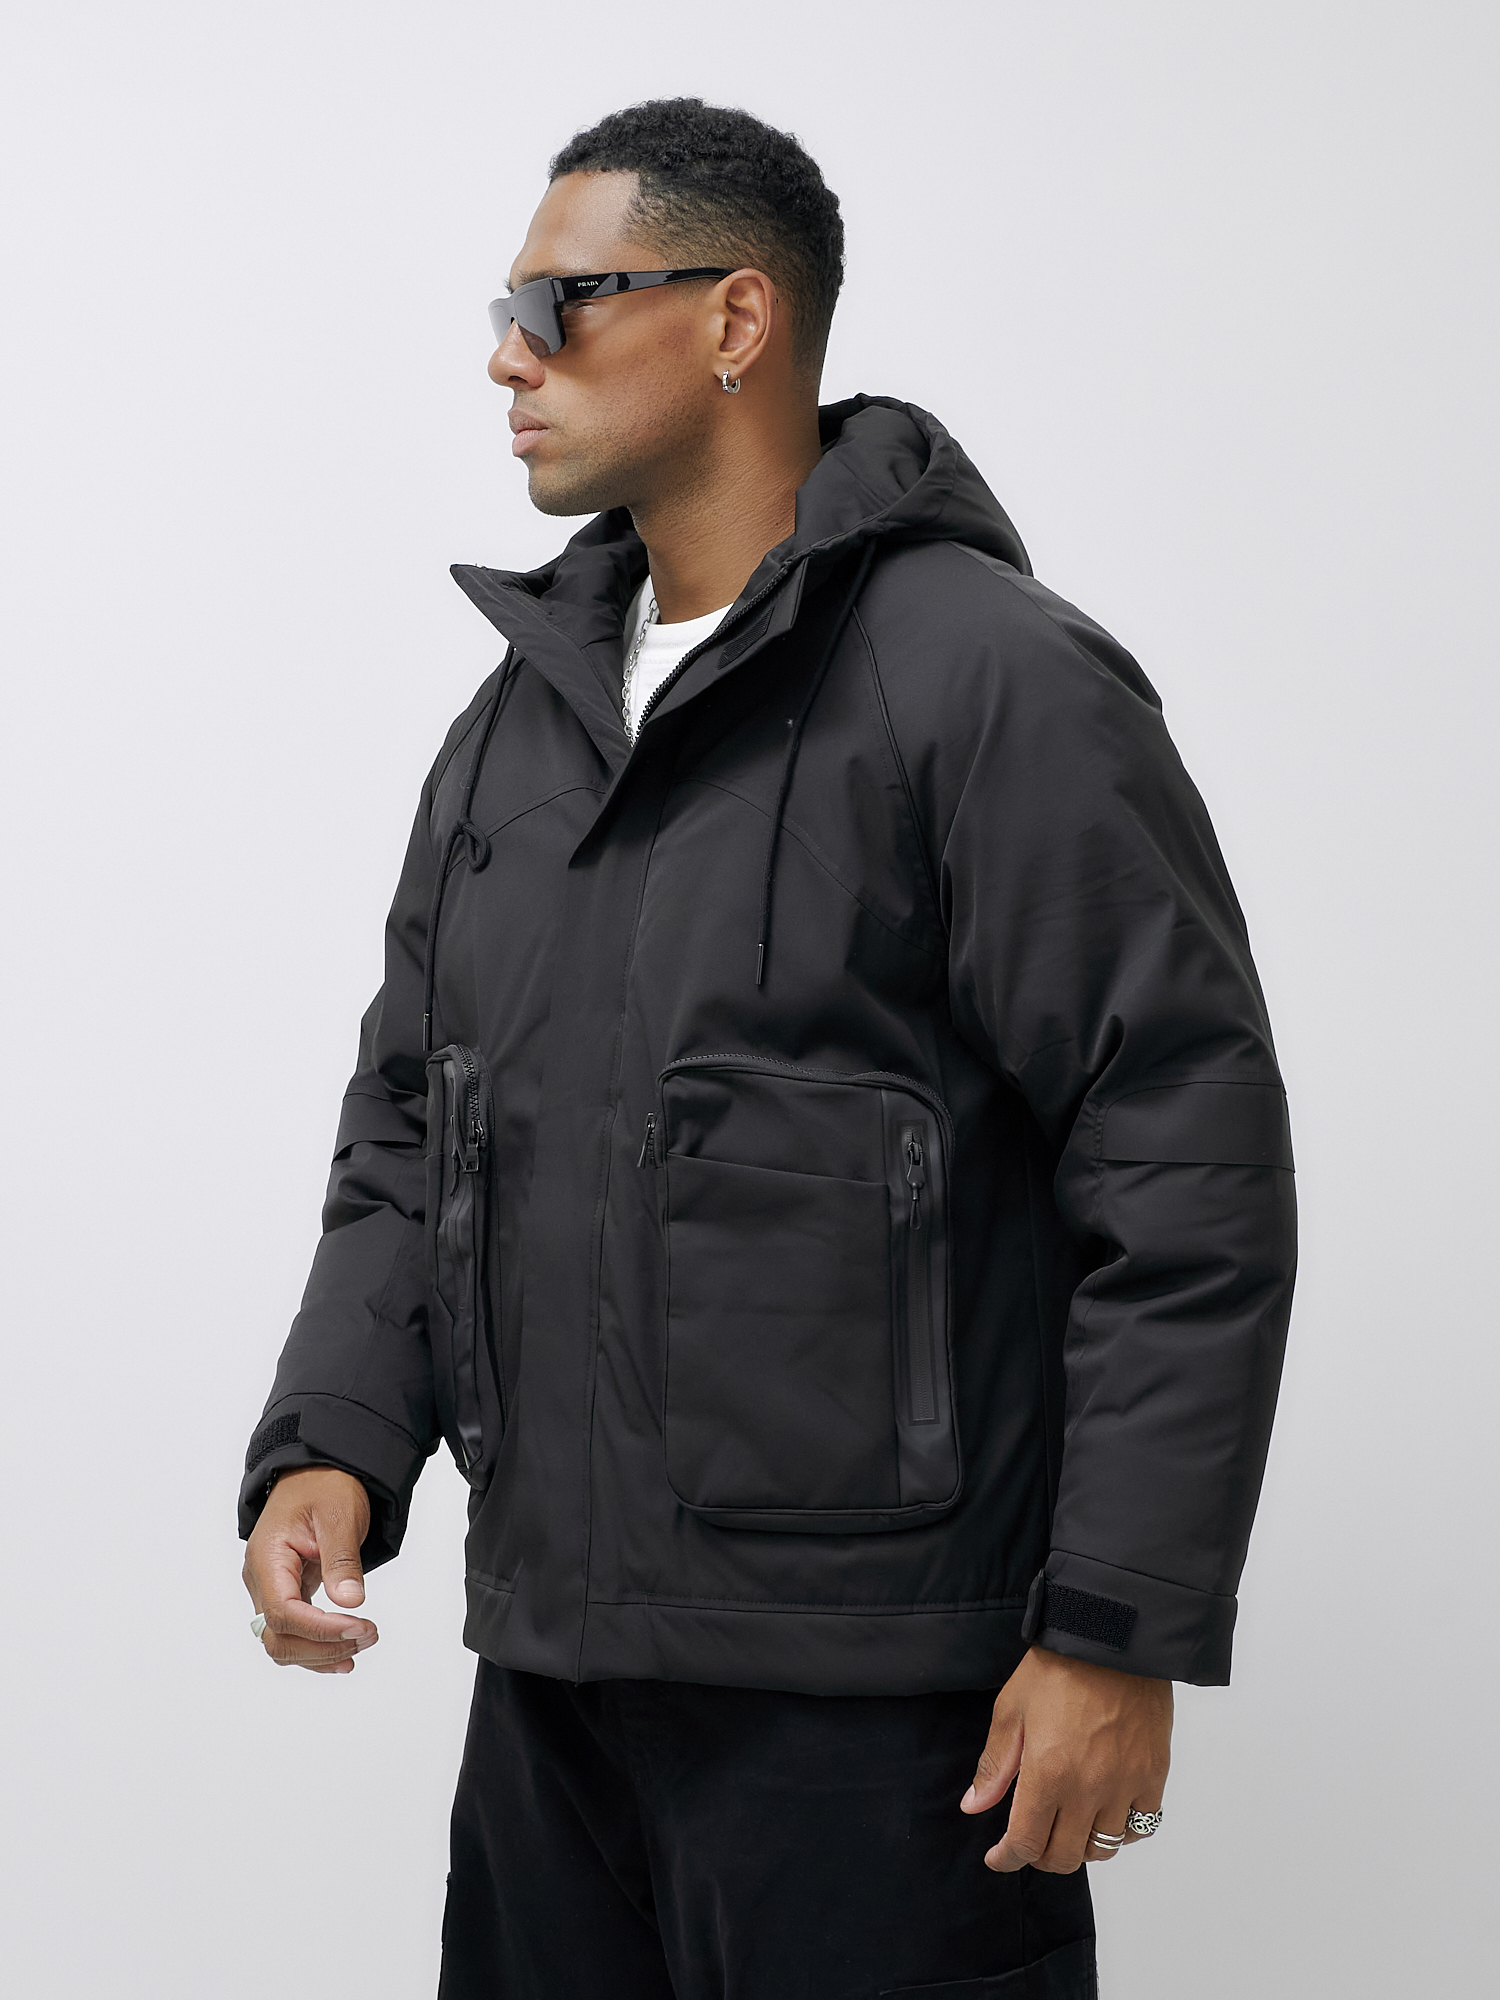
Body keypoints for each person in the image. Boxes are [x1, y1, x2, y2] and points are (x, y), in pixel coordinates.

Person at [239, 98, 1296, 2000]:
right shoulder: (517, 728)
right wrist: (335, 1441)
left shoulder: (990, 680)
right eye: (504, 310)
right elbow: (416, 1120)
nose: (508, 356)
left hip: (880, 1721)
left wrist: (1117, 1628)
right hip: (552, 1696)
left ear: (738, 320)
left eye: (558, 304)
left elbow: (1181, 1159)